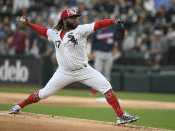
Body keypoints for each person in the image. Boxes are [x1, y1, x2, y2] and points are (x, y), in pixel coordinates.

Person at [10, 8, 138, 125]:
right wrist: (28, 24)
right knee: (44, 94)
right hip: (63, 72)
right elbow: (43, 31)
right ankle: (19, 106)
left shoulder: (81, 29)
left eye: (76, 17)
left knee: (106, 86)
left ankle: (120, 115)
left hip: (84, 70)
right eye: (73, 18)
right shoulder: (54, 33)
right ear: (64, 20)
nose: (76, 19)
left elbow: (98, 24)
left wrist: (114, 21)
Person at [90, 25, 117, 95]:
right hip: (99, 53)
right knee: (97, 72)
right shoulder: (97, 31)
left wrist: (115, 48)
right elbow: (93, 43)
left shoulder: (112, 30)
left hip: (109, 53)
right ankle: (94, 89)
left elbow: (116, 40)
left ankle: (108, 91)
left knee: (107, 72)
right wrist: (92, 52)